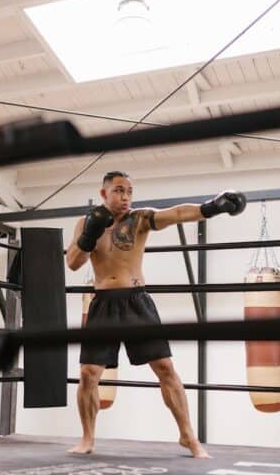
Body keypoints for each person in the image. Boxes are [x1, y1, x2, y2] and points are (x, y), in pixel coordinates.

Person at [66, 170, 247, 459]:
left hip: (137, 302)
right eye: (118, 190)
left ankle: (188, 436)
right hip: (103, 302)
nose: (125, 197)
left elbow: (176, 214)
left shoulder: (140, 219)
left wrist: (211, 208)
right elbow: (73, 263)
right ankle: (87, 438)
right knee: (88, 374)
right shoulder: (85, 223)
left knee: (165, 369)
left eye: (129, 191)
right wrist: (90, 234)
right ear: (104, 193)